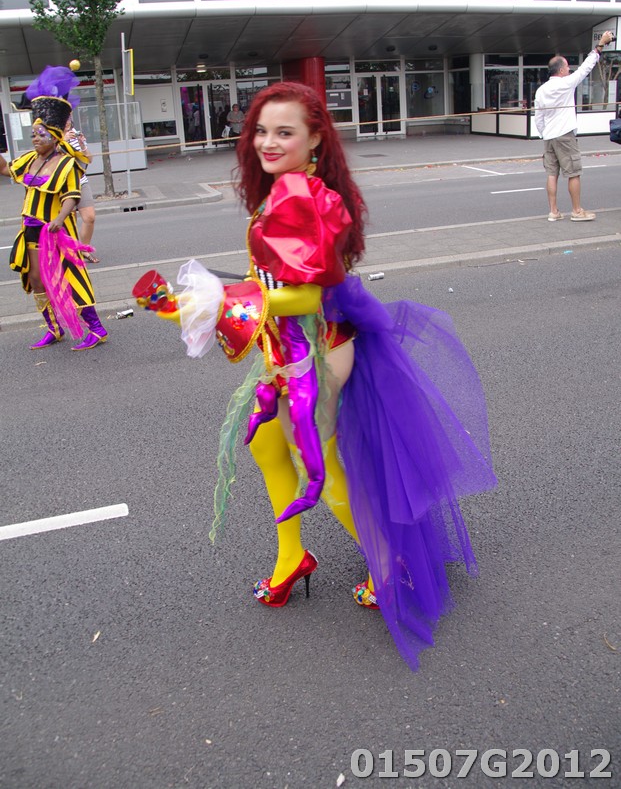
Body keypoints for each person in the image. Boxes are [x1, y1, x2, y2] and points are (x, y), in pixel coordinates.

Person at [141, 82, 497, 671]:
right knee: (265, 444)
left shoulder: (306, 197)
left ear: (314, 141)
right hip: (288, 348)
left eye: (285, 132)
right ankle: (293, 557)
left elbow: (306, 295)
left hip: (317, 351)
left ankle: (392, 563)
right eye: (261, 130)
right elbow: (272, 286)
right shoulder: (282, 191)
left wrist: (220, 301)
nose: (268, 142)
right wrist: (189, 306)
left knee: (323, 471)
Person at [0, 66, 108, 351]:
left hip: (57, 231)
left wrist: (59, 219)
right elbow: (5, 169)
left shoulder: (66, 163)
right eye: (33, 134)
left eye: (41, 134)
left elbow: (72, 196)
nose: (35, 138)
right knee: (37, 280)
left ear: (55, 136)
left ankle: (97, 329)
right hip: (31, 231)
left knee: (71, 278)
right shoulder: (28, 160)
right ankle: (54, 328)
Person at [534, 30, 614, 222]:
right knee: (574, 173)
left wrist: (544, 133)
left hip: (549, 137)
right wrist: (599, 46)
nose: (569, 69)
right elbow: (585, 68)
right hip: (565, 135)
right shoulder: (566, 84)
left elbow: (539, 117)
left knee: (551, 174)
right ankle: (577, 211)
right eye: (567, 67)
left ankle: (553, 211)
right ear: (561, 70)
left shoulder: (541, 90)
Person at [64, 119, 99, 263]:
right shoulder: (53, 136)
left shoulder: (75, 134)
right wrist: (63, 140)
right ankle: (70, 252)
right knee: (69, 221)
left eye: (68, 117)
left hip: (81, 181)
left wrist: (83, 145)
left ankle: (84, 249)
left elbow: (89, 159)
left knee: (89, 217)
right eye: (64, 117)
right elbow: (48, 157)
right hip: (64, 185)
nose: (67, 121)